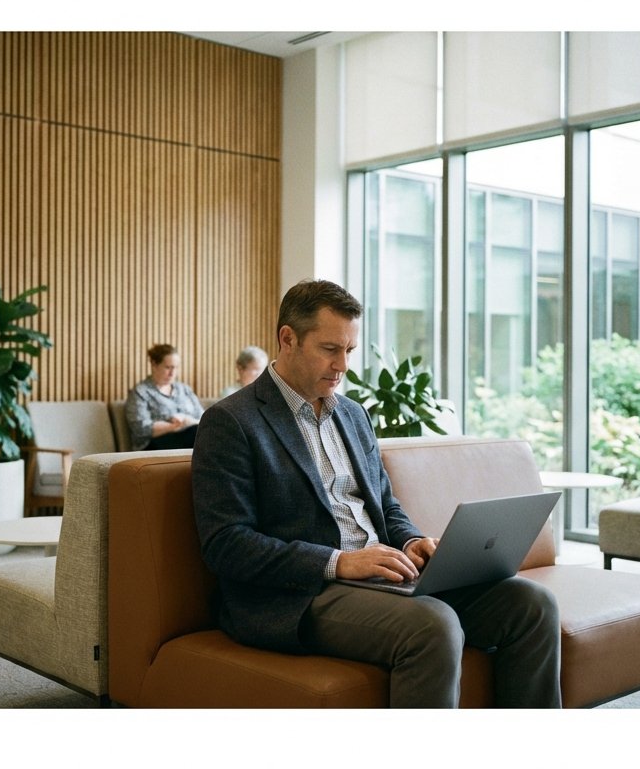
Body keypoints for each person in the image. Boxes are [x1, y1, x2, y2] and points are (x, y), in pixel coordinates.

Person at [191, 279, 561, 708]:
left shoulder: (352, 415)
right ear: (287, 339)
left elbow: (384, 503)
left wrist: (411, 541)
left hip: (380, 575)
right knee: (433, 625)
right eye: (330, 349)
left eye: (349, 350)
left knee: (532, 604)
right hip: (300, 595)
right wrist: (339, 563)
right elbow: (226, 544)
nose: (342, 365)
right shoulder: (231, 422)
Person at [126, 343, 205, 450]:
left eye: (176, 368)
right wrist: (176, 426)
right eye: (168, 367)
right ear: (154, 365)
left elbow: (203, 418)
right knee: (197, 433)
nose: (172, 373)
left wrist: (188, 421)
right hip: (154, 445)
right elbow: (140, 429)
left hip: (189, 437)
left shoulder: (184, 389)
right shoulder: (141, 392)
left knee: (206, 433)